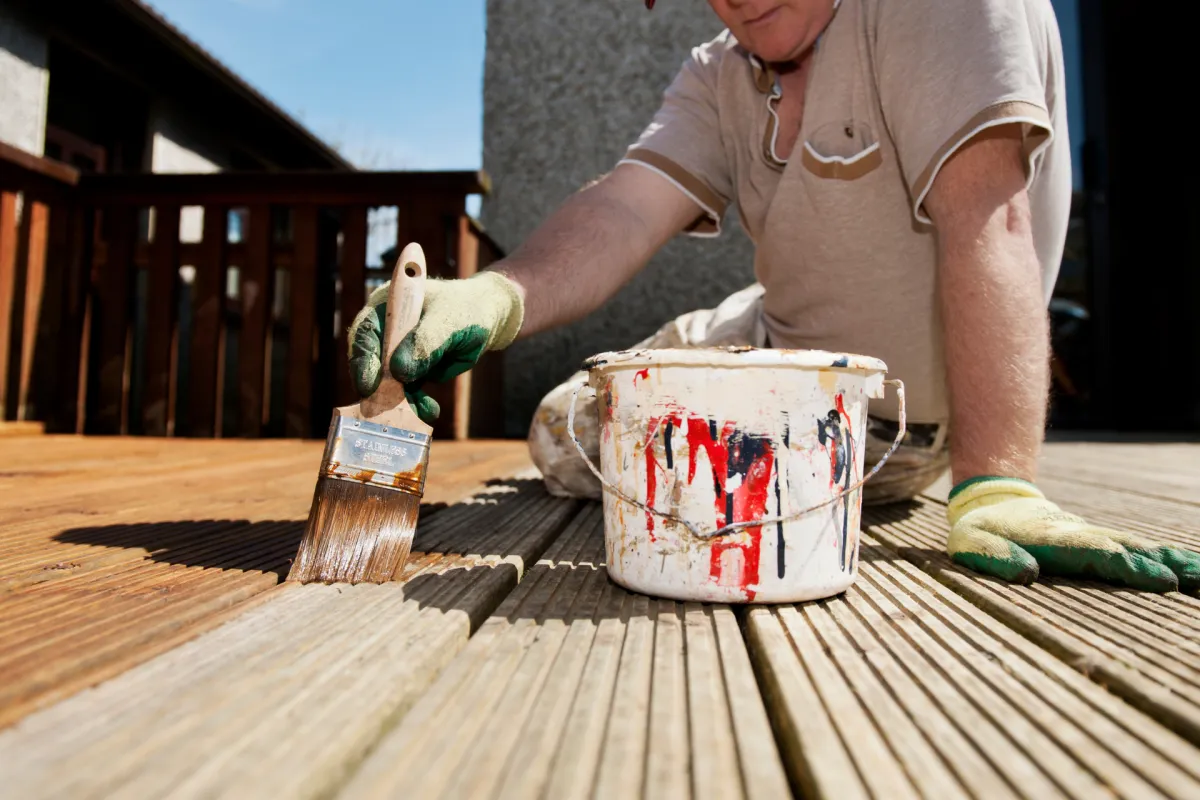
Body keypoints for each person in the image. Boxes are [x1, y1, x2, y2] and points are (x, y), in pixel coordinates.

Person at [347, 0, 1200, 592]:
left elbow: (993, 221)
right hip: (757, 342)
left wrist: (998, 484)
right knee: (561, 431)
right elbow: (622, 209)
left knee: (614, 450)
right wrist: (494, 297)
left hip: (872, 423)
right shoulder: (718, 71)